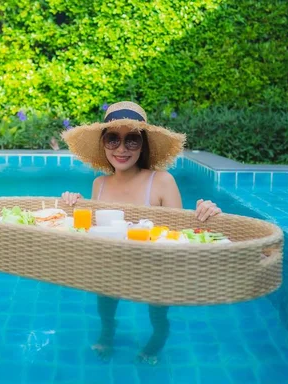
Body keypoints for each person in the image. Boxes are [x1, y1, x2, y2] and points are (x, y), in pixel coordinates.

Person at [60, 101, 222, 364]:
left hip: (155, 267)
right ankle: (108, 332)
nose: (121, 149)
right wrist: (72, 203)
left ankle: (158, 338)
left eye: (132, 140)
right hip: (111, 265)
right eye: (113, 139)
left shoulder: (161, 182)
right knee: (105, 306)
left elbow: (181, 235)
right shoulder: (98, 185)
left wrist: (205, 213)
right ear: (103, 143)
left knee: (158, 313)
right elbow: (89, 230)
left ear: (143, 144)